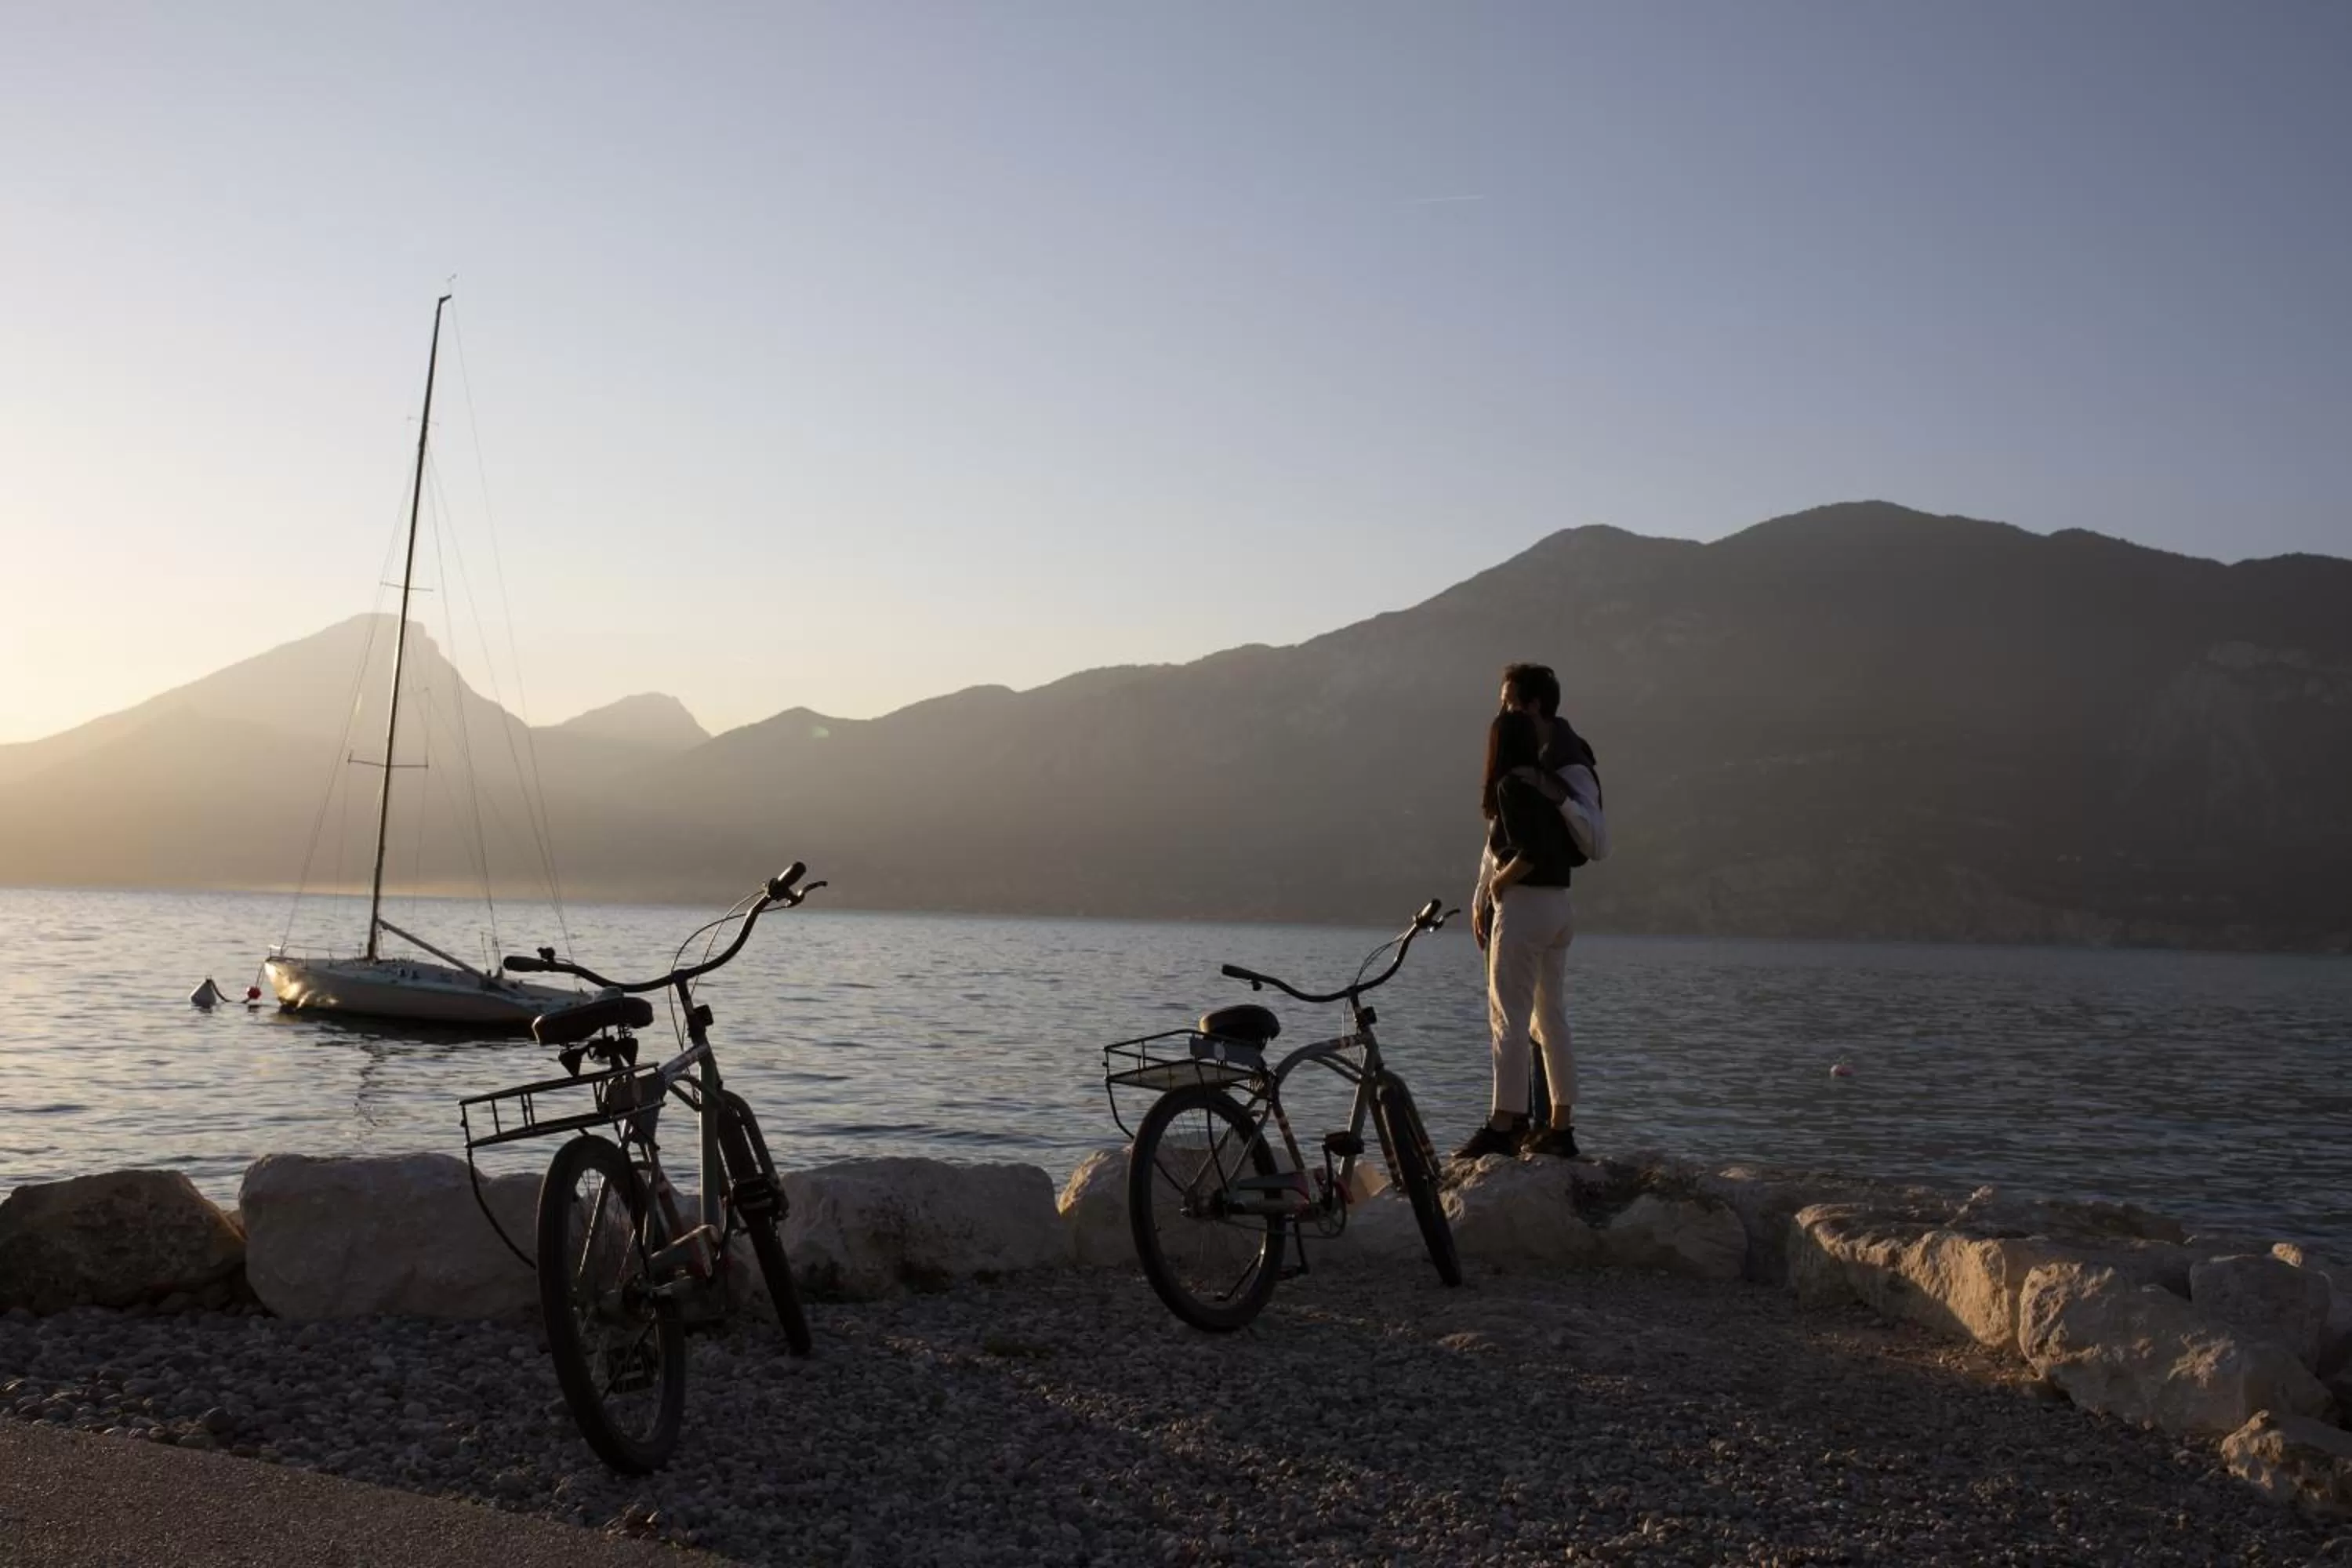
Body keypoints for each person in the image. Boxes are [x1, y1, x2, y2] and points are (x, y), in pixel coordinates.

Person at [1458, 664, 1606, 1160]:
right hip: (1558, 908)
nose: (1500, 709)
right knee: (1552, 1017)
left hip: (1523, 907)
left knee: (1509, 1020)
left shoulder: (1562, 769)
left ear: (1531, 706)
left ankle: (1505, 1123)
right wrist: (1483, 894)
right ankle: (1559, 1128)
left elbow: (1562, 845)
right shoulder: (1544, 777)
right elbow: (1522, 846)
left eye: (1507, 702)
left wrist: (1496, 889)